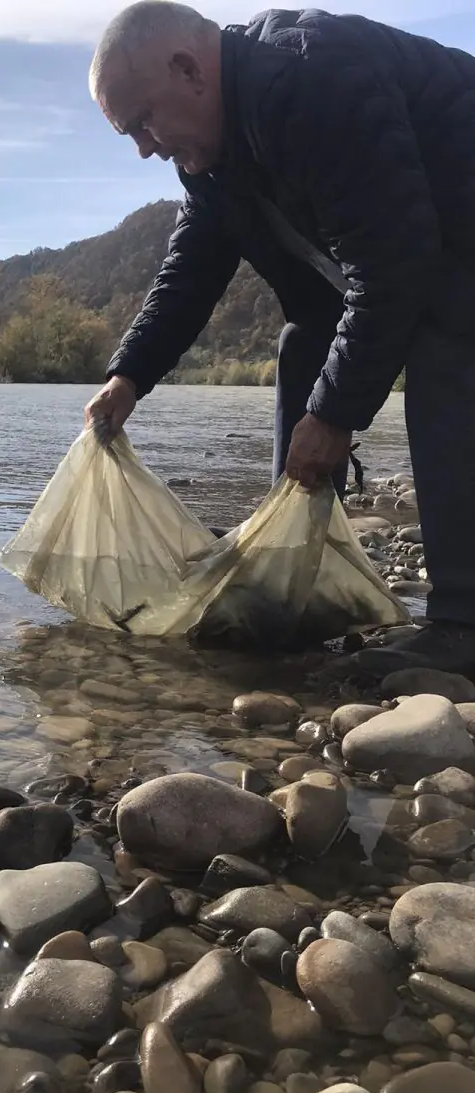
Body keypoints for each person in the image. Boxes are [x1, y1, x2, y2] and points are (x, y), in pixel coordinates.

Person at [85, 1, 475, 677]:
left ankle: (465, 621)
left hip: (452, 240)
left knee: (447, 340)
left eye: (142, 122)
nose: (145, 147)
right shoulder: (211, 153)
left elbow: (396, 261)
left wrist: (335, 417)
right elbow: (192, 269)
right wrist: (129, 376)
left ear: (188, 70)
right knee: (307, 342)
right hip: (424, 243)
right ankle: (291, 568)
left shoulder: (307, 80)